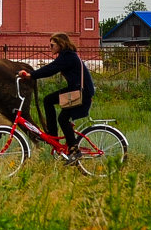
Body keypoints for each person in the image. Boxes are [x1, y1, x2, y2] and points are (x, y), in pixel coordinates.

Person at [19, 32, 94, 164]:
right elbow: (52, 67)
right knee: (48, 100)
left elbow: (51, 69)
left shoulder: (68, 57)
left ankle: (74, 150)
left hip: (81, 93)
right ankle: (53, 137)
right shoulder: (66, 56)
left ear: (60, 44)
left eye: (52, 45)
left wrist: (31, 75)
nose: (50, 47)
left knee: (62, 118)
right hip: (76, 90)